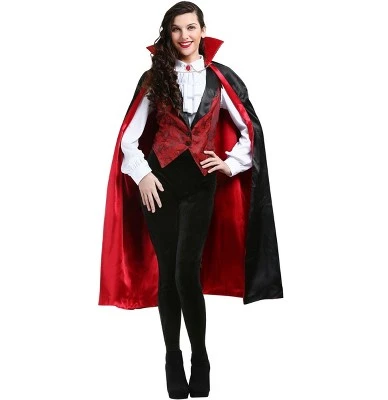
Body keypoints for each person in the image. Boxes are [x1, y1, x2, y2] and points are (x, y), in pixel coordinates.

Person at [98, 1, 283, 398]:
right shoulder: (155, 77)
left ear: (202, 30)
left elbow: (250, 129)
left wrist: (230, 164)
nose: (184, 36)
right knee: (168, 272)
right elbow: (129, 138)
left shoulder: (220, 78)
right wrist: (142, 174)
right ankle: (172, 356)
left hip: (200, 185)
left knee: (186, 271)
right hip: (160, 185)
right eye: (177, 29)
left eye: (191, 27)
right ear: (169, 34)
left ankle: (200, 355)